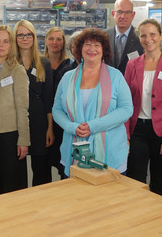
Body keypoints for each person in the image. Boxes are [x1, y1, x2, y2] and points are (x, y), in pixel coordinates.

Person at [52, 28, 133, 177]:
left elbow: (126, 109)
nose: (92, 49)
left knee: (109, 199)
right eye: (87, 44)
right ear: (80, 49)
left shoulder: (116, 76)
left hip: (111, 154)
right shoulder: (67, 77)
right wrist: (72, 127)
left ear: (104, 50)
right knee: (75, 198)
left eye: (97, 45)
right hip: (73, 151)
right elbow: (57, 109)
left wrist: (93, 126)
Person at [124, 19, 162, 197]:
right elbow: (125, 102)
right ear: (139, 38)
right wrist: (126, 135)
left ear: (160, 36)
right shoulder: (132, 65)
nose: (148, 39)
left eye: (152, 34)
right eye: (143, 35)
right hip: (137, 131)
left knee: (159, 180)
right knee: (136, 178)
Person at [0, 25, 30, 195]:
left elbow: (22, 107)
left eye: (5, 41)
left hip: (9, 136)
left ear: (11, 46)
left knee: (11, 185)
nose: (0, 45)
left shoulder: (16, 70)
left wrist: (23, 139)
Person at [14, 20, 54, 186]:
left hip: (39, 121)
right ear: (15, 38)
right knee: (16, 166)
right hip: (16, 120)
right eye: (21, 35)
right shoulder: (11, 63)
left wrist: (50, 127)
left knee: (41, 170)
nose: (25, 38)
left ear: (34, 37)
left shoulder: (43, 63)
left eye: (28, 34)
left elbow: (48, 98)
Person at [44, 27, 78, 178]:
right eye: (51, 38)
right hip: (44, 117)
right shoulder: (40, 63)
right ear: (45, 41)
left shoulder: (68, 66)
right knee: (43, 161)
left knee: (62, 162)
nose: (55, 42)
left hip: (63, 121)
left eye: (59, 39)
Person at [106, 0, 144, 74]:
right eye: (119, 12)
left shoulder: (141, 37)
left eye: (127, 12)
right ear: (113, 14)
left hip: (131, 84)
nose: (123, 16)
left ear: (133, 15)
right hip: (107, 82)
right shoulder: (103, 36)